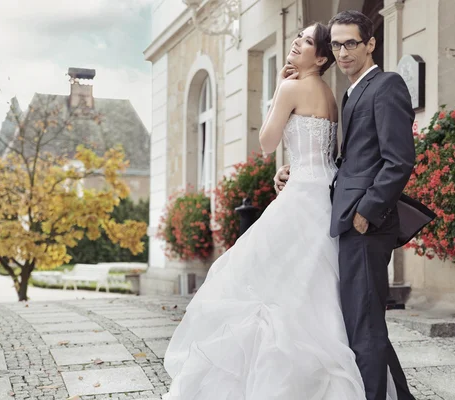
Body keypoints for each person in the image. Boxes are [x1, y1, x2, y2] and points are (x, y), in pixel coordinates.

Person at [162, 22, 400, 399]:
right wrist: (287, 170)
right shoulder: (332, 94)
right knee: (325, 294)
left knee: (276, 288)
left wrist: (277, 91)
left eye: (306, 41)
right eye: (299, 37)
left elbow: (266, 142)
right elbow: (331, 154)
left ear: (320, 58)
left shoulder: (292, 87)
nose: (296, 43)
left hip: (305, 194)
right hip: (327, 192)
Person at [274, 10, 435, 400]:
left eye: (351, 44)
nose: (343, 52)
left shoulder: (387, 85)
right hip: (345, 218)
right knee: (362, 323)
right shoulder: (352, 92)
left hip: (366, 223)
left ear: (370, 44)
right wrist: (293, 170)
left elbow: (399, 159)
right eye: (336, 45)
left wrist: (367, 212)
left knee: (363, 325)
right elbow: (353, 159)